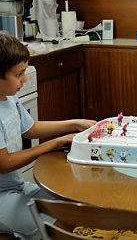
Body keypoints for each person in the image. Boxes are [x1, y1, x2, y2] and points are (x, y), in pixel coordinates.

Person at [0, 32, 96, 239]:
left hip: (15, 187)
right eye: (18, 74)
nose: (24, 79)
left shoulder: (9, 98)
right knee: (45, 227)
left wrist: (73, 123)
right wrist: (54, 143)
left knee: (72, 209)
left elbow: (31, 129)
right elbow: (5, 163)